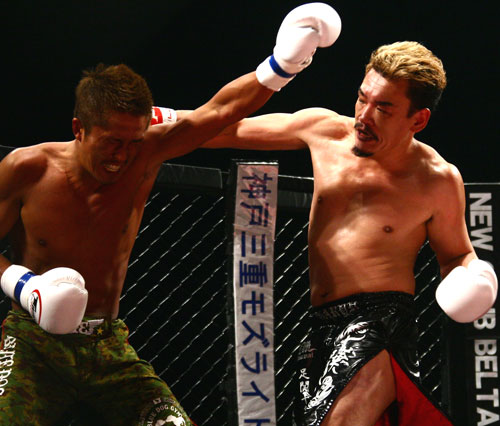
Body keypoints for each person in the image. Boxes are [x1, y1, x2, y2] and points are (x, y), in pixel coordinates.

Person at [0, 3, 342, 425]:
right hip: (32, 344)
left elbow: (218, 112)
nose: (122, 155)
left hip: (106, 343)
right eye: (112, 141)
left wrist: (280, 66)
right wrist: (24, 285)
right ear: (79, 129)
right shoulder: (27, 169)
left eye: (133, 141)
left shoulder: (147, 154)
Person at [201, 41, 498, 425]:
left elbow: (455, 254)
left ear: (418, 120)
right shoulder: (324, 131)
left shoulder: (437, 179)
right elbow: (222, 129)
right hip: (320, 324)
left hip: (381, 327)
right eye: (362, 98)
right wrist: (153, 118)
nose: (364, 115)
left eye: (384, 108)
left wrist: (472, 274)